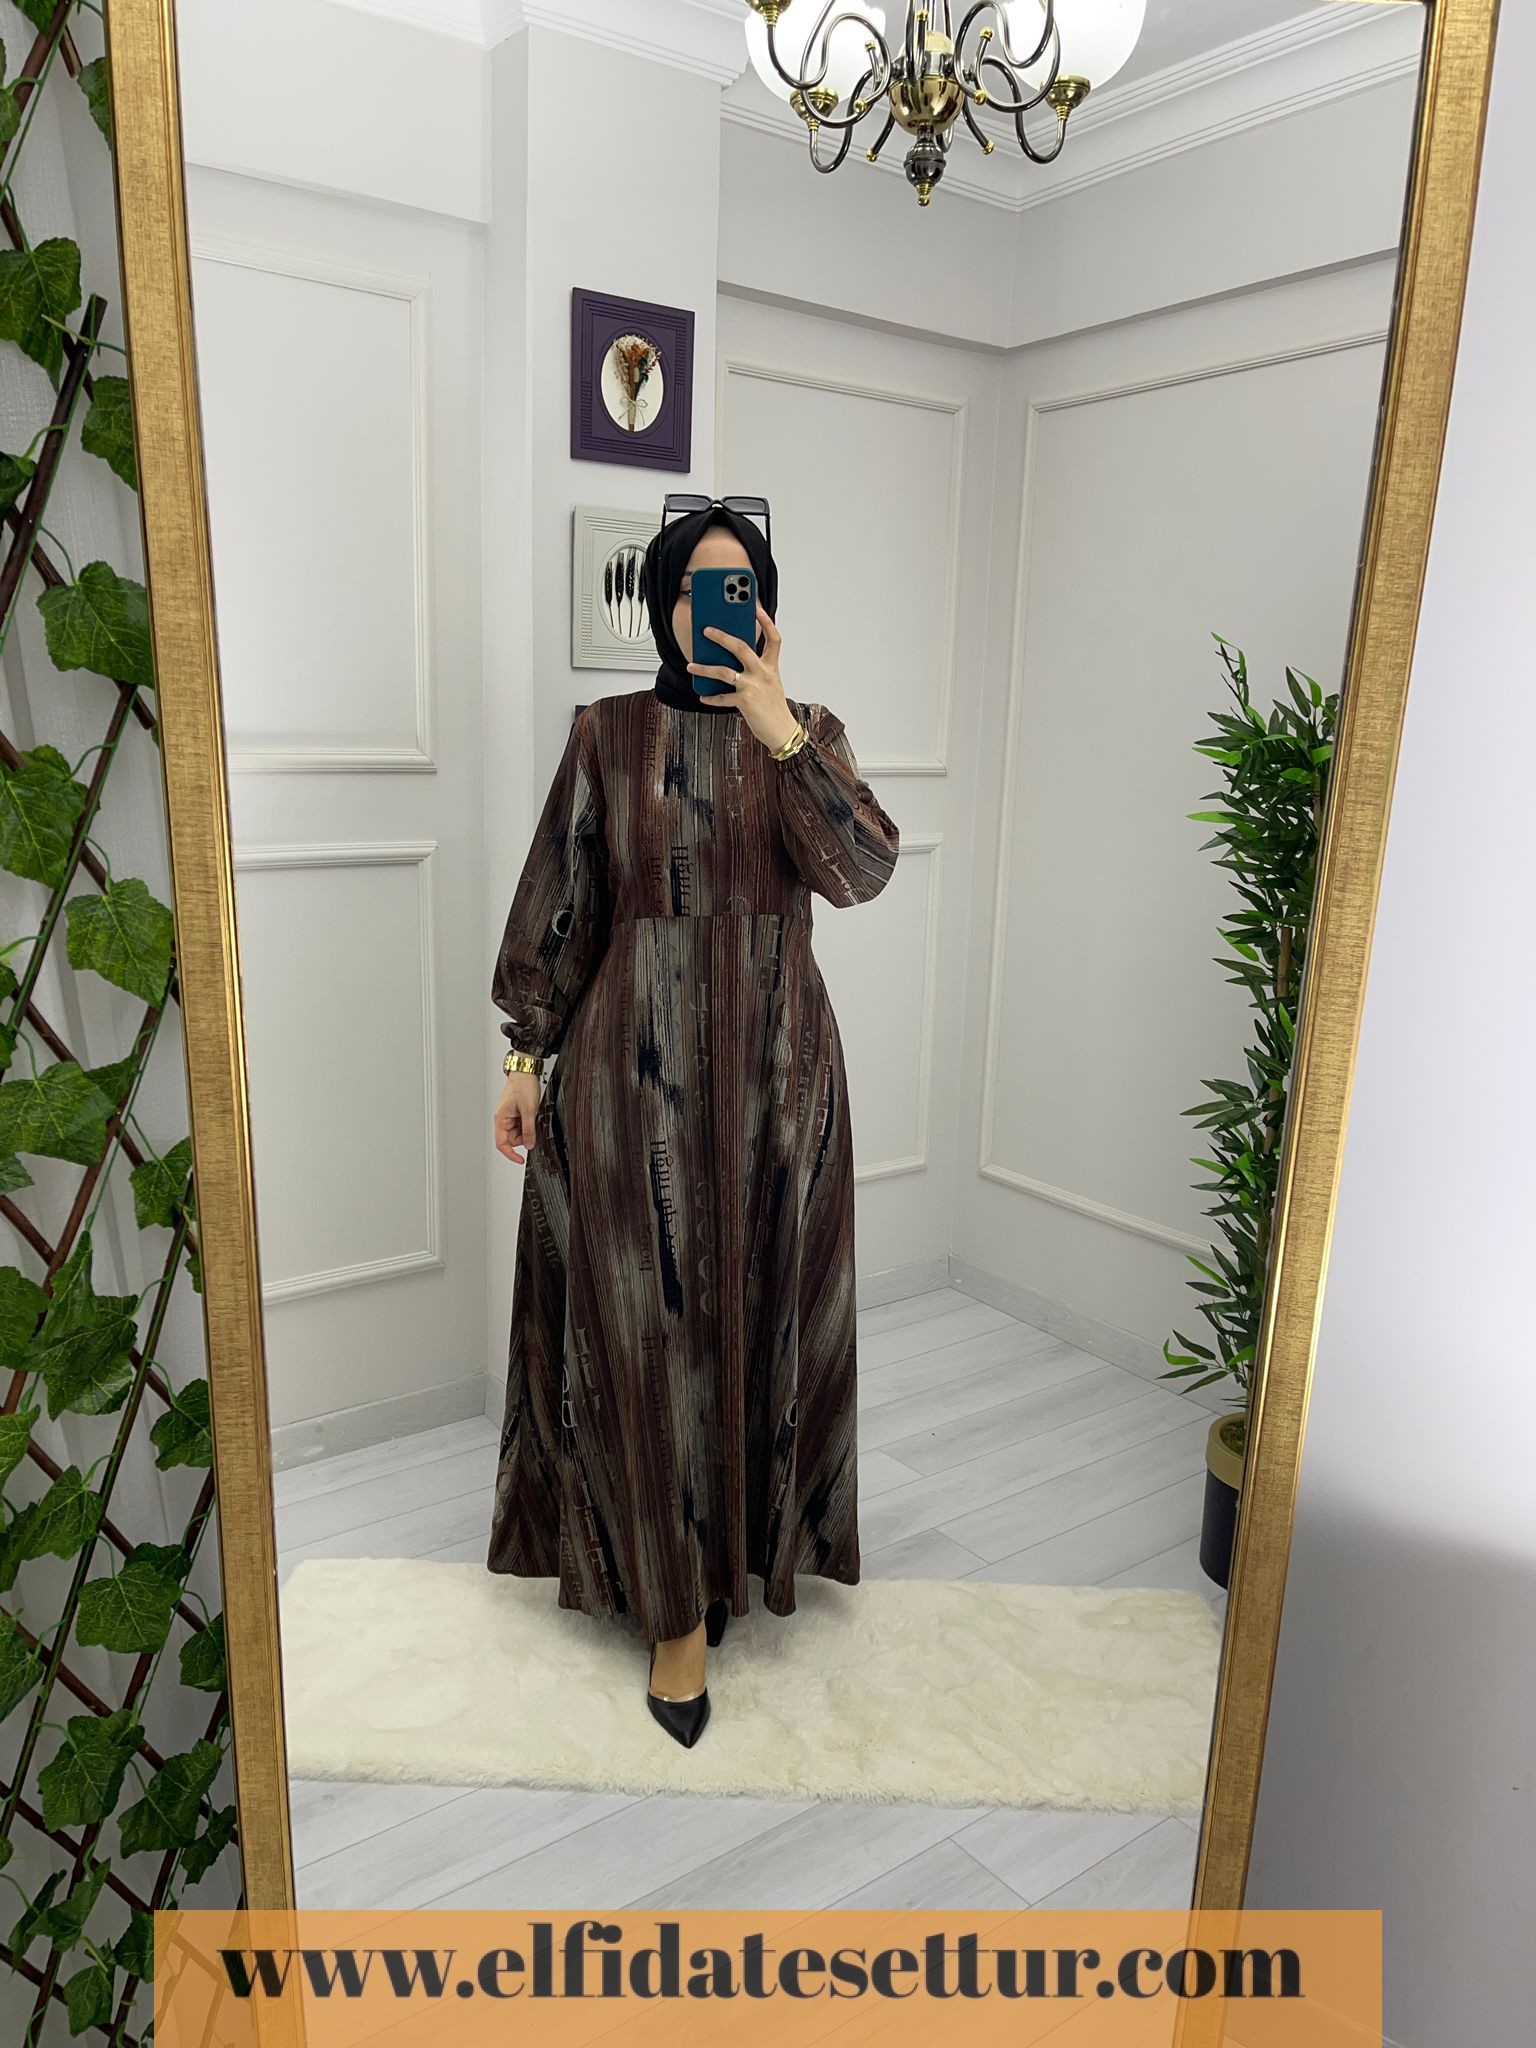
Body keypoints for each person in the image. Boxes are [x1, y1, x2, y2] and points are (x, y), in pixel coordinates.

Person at [485, 495, 899, 1748]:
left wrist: (782, 734)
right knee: (646, 1329)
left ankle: (745, 1554)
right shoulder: (607, 734)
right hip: (632, 1076)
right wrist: (524, 1052)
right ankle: (672, 1612)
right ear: (663, 605)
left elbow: (863, 870)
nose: (715, 608)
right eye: (692, 587)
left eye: (740, 587)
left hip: (779, 1079)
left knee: (759, 1310)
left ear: (765, 607)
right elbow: (562, 897)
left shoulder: (809, 732)